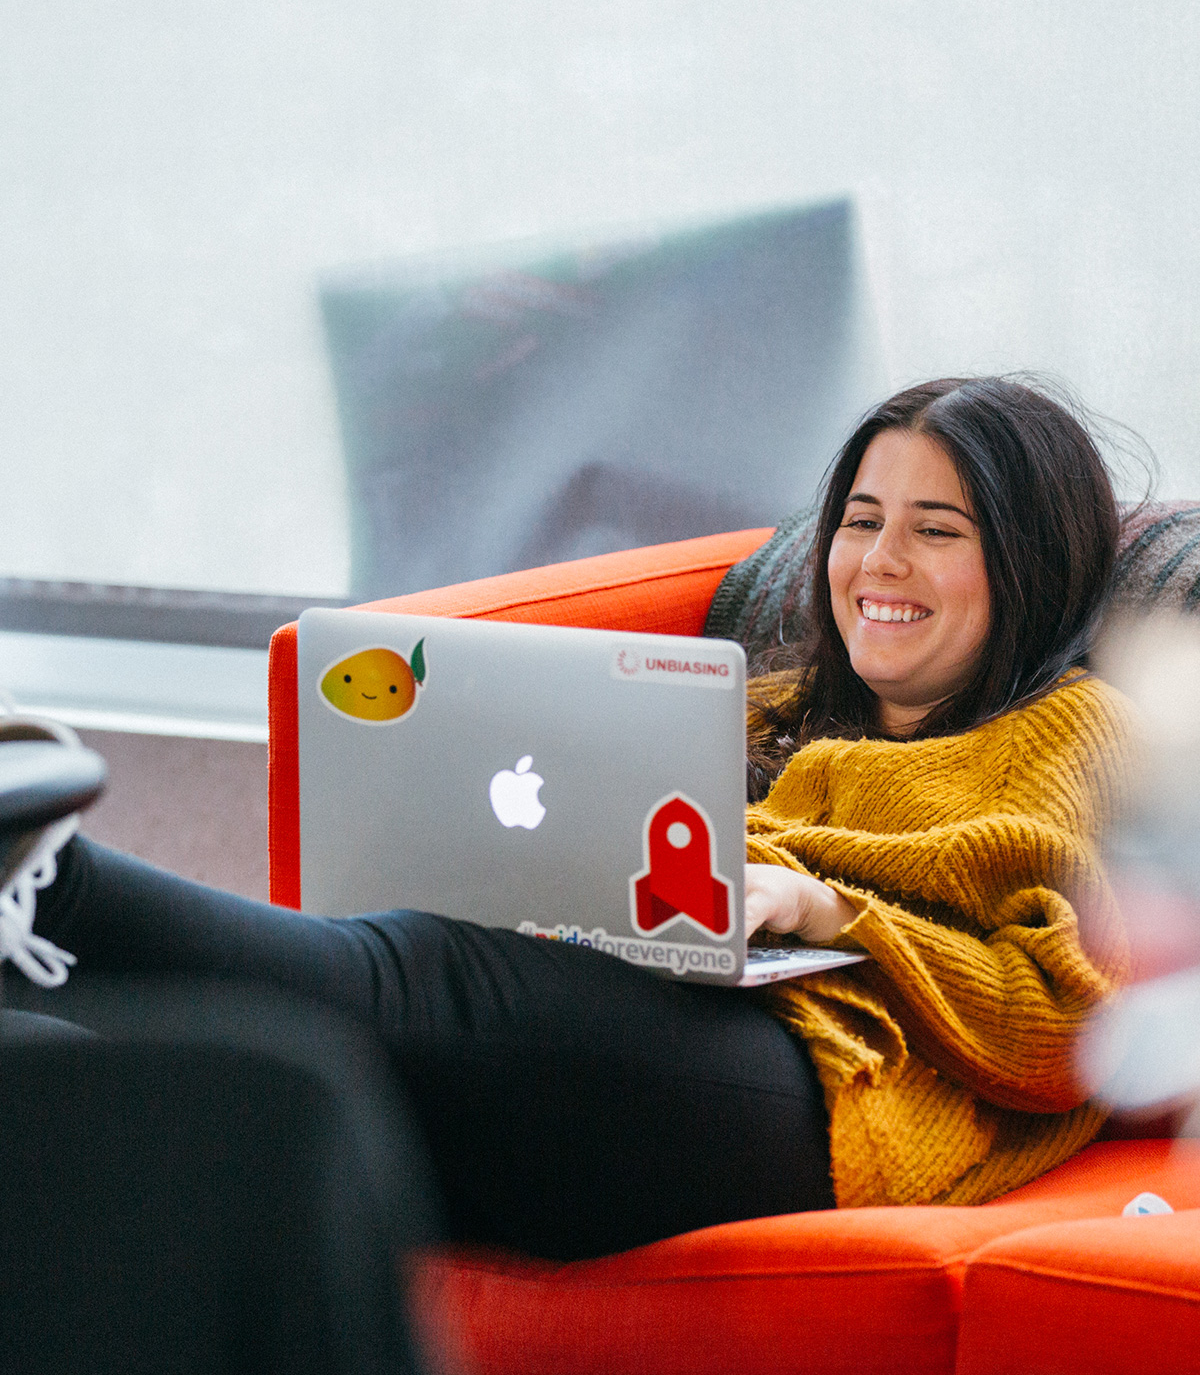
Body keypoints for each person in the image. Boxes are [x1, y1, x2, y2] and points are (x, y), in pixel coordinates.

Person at [2, 375, 1134, 1257]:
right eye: (861, 520)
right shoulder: (762, 710)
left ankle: (51, 884)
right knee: (220, 1112)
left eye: (936, 530)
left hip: (825, 1091)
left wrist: (824, 907)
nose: (879, 563)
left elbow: (1074, 1035)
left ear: (1028, 564)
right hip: (633, 1043)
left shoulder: (1071, 733)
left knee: (433, 979)